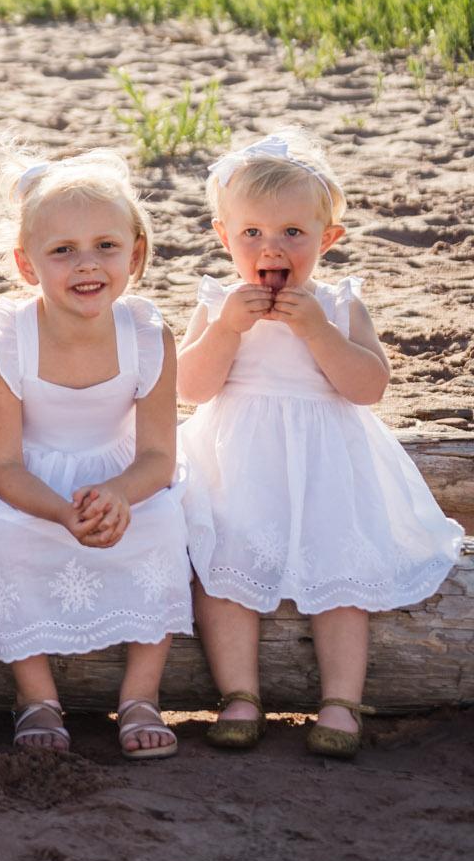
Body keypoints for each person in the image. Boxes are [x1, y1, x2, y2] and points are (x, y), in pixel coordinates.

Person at [178, 131, 462, 760]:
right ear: (224, 238)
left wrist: (318, 333)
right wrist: (227, 328)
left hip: (326, 464)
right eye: (250, 234)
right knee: (220, 568)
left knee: (343, 575)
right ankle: (240, 695)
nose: (269, 248)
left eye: (291, 234)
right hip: (239, 464)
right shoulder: (218, 303)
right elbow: (192, 386)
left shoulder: (337, 302)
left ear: (326, 239)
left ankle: (340, 700)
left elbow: (369, 387)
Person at [0, 150, 192, 760]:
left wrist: (120, 493)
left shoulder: (148, 336)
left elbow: (156, 455)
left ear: (136, 254)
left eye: (106, 246)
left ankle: (142, 694)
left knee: (167, 524)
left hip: (122, 473)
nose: (86, 264)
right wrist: (63, 512)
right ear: (26, 263)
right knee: (9, 536)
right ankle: (36, 696)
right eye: (62, 250)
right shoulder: (8, 340)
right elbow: (3, 466)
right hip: (31, 481)